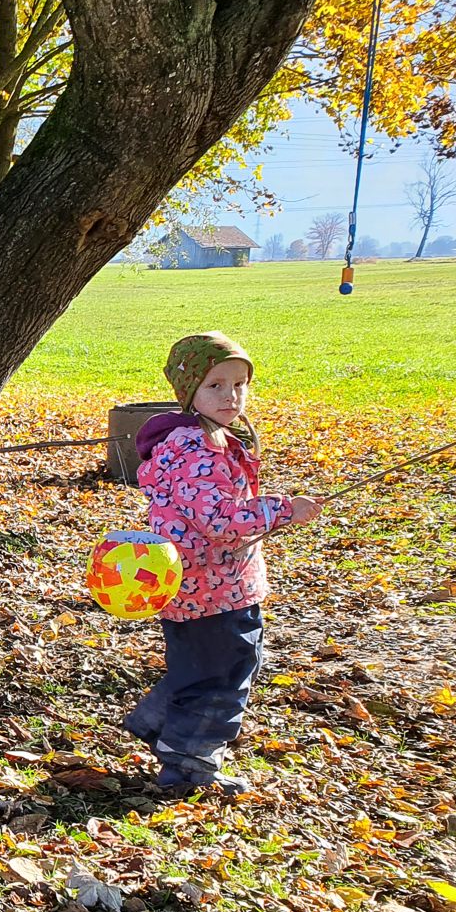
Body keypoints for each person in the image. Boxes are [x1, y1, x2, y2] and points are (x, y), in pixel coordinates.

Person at [128, 332, 320, 793]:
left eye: (239, 383)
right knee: (226, 673)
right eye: (215, 385)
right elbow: (219, 519)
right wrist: (281, 509)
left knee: (201, 667)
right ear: (188, 390)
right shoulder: (195, 449)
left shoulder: (206, 439)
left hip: (206, 582)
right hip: (211, 587)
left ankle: (159, 725)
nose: (231, 395)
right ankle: (188, 761)